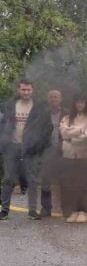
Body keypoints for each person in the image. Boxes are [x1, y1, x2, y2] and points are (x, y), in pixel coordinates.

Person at [0, 79, 53, 220]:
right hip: (11, 147)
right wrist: (3, 143)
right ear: (18, 90)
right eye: (23, 89)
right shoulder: (10, 105)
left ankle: (32, 211)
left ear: (32, 90)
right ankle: (4, 211)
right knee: (8, 179)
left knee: (32, 180)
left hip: (31, 149)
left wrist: (38, 146)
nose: (26, 92)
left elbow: (48, 128)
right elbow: (3, 124)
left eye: (28, 89)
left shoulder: (40, 107)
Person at [59, 94, 87, 223]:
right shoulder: (67, 118)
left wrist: (72, 134)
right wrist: (81, 130)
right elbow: (63, 133)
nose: (80, 105)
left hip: (85, 155)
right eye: (77, 102)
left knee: (84, 184)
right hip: (69, 155)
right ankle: (74, 210)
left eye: (82, 102)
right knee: (71, 185)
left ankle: (84, 211)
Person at [41, 88, 67, 217]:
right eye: (51, 97)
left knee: (65, 180)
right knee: (46, 180)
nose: (53, 99)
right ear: (48, 99)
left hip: (64, 151)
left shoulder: (68, 114)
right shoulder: (43, 114)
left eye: (56, 97)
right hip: (47, 150)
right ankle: (46, 208)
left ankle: (66, 207)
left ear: (60, 99)